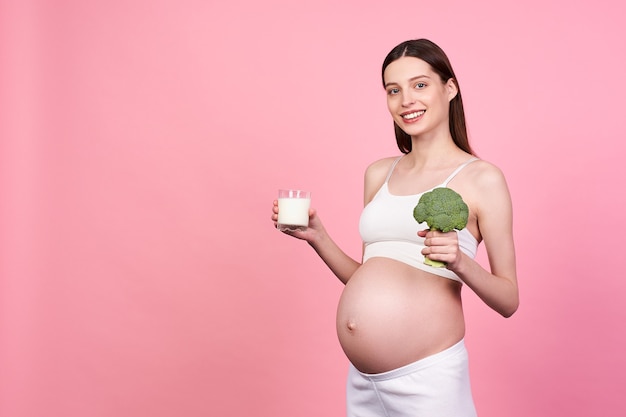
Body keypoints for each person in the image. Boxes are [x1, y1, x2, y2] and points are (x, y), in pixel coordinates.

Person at [271, 38, 518, 417]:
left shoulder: (482, 179)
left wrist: (462, 263)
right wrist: (318, 238)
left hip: (429, 381)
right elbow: (369, 274)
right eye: (393, 90)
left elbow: (509, 300)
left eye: (420, 85)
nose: (406, 100)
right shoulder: (378, 173)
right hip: (363, 382)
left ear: (449, 88)